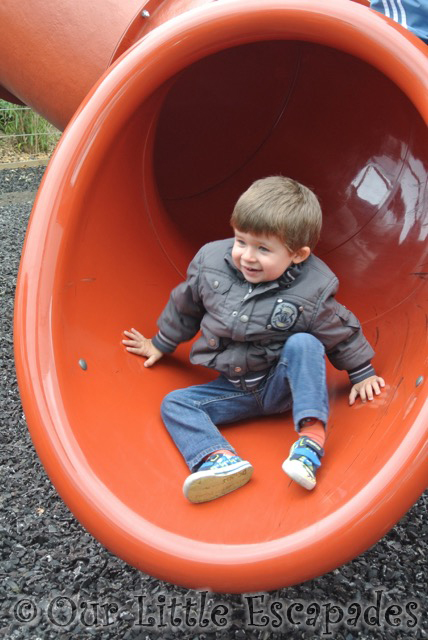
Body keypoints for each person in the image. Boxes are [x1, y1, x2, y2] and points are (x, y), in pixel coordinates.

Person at [123, 177, 385, 503]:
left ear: (298, 255)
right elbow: (185, 305)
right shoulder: (211, 264)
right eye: (241, 241)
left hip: (281, 383)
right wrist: (161, 342)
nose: (247, 256)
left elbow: (337, 329)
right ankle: (219, 459)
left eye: (263, 249)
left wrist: (362, 372)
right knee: (174, 404)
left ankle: (310, 440)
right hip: (234, 388)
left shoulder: (310, 290)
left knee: (305, 343)